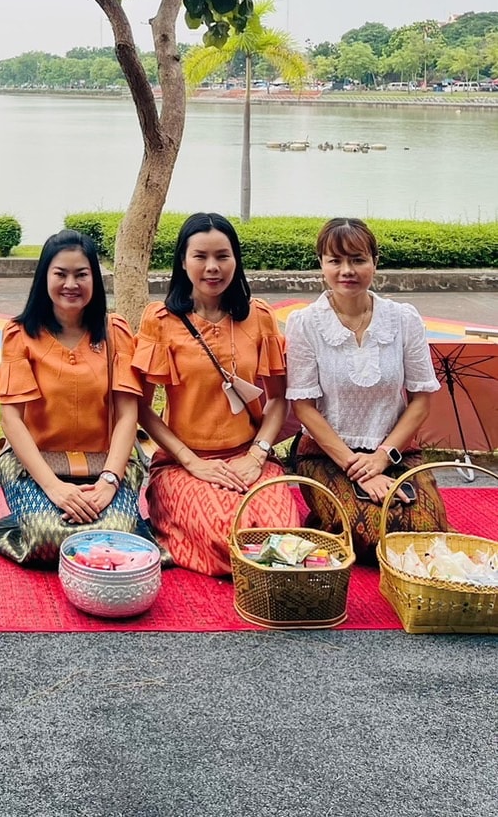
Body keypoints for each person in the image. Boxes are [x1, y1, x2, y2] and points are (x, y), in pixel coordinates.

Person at [133, 212, 297, 576]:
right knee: (230, 541)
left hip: (248, 457)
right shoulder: (160, 321)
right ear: (182, 261)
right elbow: (141, 409)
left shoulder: (260, 317)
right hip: (183, 464)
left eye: (222, 256)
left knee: (281, 539)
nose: (213, 267)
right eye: (200, 256)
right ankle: (174, 528)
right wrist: (193, 463)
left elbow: (278, 399)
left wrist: (257, 455)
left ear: (236, 259)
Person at [0, 229, 147, 566]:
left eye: (81, 274)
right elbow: (11, 418)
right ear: (45, 278)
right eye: (61, 274)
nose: (71, 284)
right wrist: (54, 488)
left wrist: (110, 482)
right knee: (45, 539)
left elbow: (128, 415)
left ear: (94, 279)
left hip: (106, 466)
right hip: (37, 467)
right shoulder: (21, 334)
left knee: (116, 538)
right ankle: (11, 529)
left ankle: (33, 519)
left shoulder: (116, 333)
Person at [284, 216, 447, 562]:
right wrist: (356, 467)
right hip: (327, 454)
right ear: (321, 265)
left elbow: (420, 401)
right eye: (335, 261)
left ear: (375, 262)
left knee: (426, 533)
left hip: (395, 451)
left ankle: (328, 522)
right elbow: (304, 407)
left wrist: (381, 458)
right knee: (374, 536)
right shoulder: (305, 323)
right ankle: (331, 516)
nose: (347, 270)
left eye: (358, 260)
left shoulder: (403, 320)